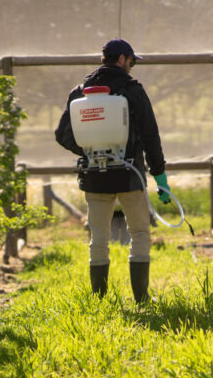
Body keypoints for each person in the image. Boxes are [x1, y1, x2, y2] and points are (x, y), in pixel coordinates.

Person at [55, 38, 170, 303]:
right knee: (139, 233)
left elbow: (62, 135)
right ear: (122, 59)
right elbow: (151, 136)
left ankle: (99, 301)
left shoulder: (80, 92)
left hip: (94, 177)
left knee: (99, 238)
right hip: (130, 175)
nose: (132, 66)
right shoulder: (132, 90)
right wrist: (160, 177)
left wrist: (90, 152)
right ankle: (141, 298)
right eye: (131, 61)